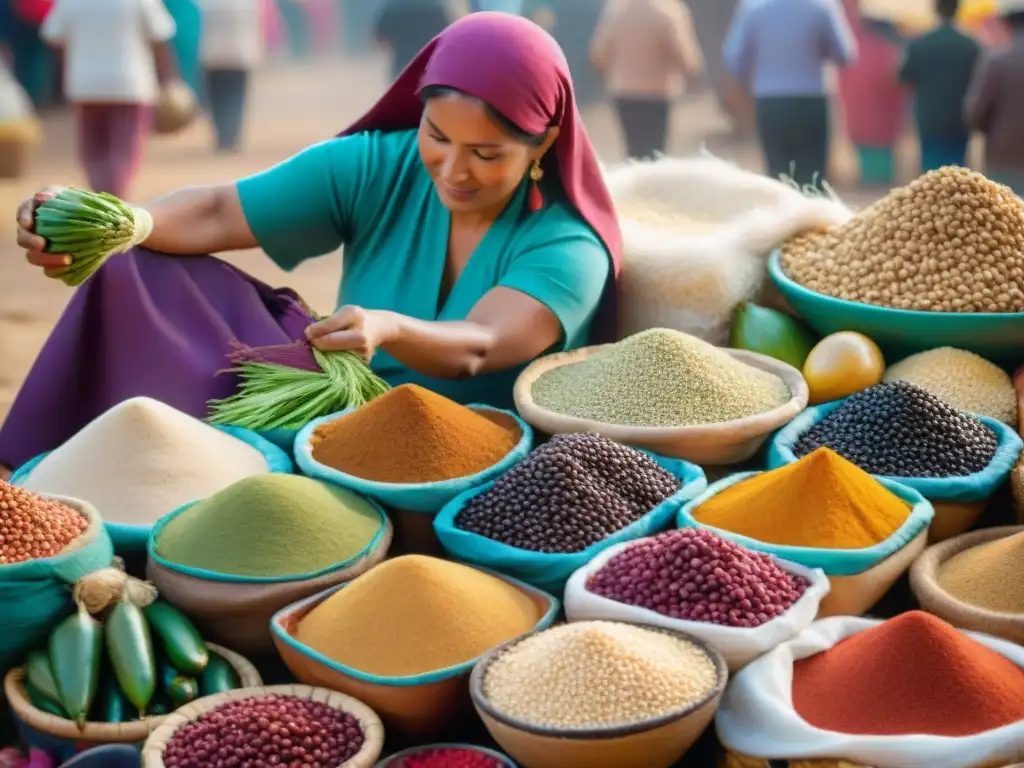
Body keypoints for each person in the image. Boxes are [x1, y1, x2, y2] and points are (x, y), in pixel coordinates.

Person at [2, 12, 621, 475]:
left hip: (470, 460)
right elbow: (221, 209)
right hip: (337, 404)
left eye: (487, 154)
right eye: (437, 137)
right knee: (138, 267)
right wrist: (121, 222)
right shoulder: (384, 163)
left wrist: (390, 329)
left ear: (543, 143)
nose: (453, 170)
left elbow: (482, 345)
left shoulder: (568, 244)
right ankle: (73, 464)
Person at [39, 0, 177, 199]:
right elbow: (160, 37)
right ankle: (114, 196)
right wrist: (169, 77)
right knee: (123, 148)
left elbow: (53, 36)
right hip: (130, 83)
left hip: (85, 83)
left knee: (93, 148)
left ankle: (101, 194)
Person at [723, 0, 857, 187]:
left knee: (778, 176)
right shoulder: (822, 6)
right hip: (812, 100)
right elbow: (845, 54)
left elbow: (734, 59)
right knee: (812, 178)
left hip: (770, 101)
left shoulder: (753, 8)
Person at [590, 0, 703, 159]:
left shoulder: (616, 10)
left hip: (624, 92)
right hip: (658, 93)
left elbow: (599, 54)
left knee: (633, 149)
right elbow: (683, 54)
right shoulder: (668, 10)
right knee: (655, 151)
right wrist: (692, 73)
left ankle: (634, 180)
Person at [899, 0, 982, 172]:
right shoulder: (971, 45)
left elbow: (902, 77)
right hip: (959, 118)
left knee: (932, 176)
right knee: (957, 175)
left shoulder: (920, 44)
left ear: (936, 10)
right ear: (957, 10)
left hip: (929, 118)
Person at [966, 0, 1024, 192]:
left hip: (1003, 153)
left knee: (1007, 216)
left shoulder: (995, 60)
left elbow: (975, 112)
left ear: (1006, 25)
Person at [197, 0, 263, 152]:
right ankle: (232, 136)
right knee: (236, 98)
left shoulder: (208, 4)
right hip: (240, 55)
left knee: (217, 99)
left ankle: (222, 137)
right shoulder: (248, 4)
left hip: (213, 56)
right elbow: (255, 27)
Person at [373, 0, 451, 82]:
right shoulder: (433, 7)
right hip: (429, 66)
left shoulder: (393, 8)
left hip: (402, 66)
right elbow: (448, 36)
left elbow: (379, 39)